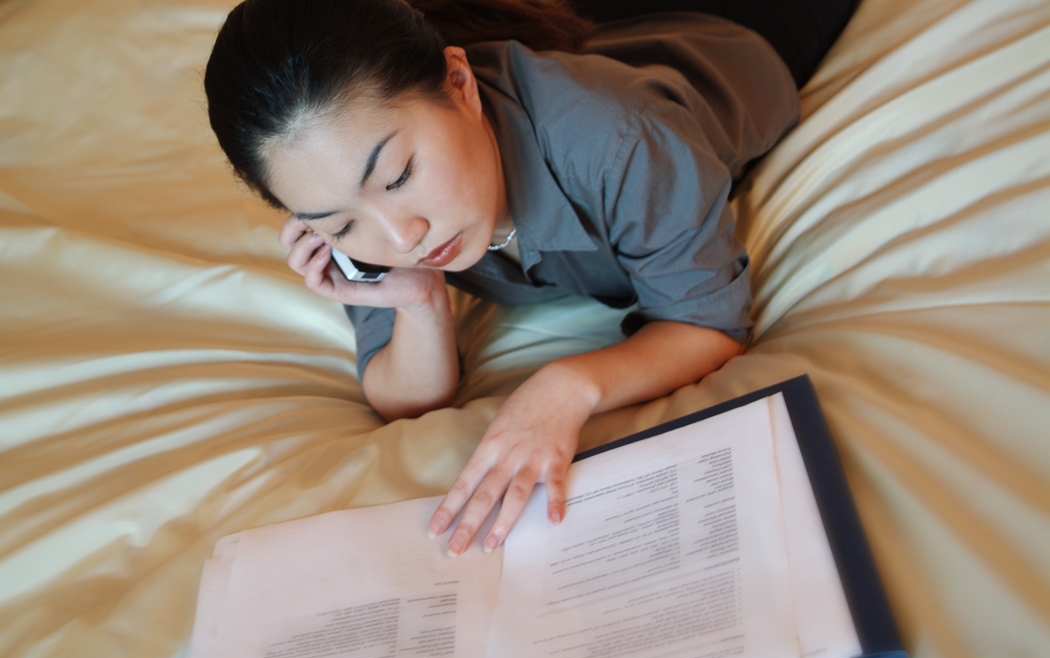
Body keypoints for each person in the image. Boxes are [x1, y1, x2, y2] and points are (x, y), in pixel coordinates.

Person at [204, 0, 857, 556]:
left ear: (459, 82)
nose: (402, 237)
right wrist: (420, 304)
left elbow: (710, 324)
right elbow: (405, 399)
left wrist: (568, 386)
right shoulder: (367, 213)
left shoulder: (622, 139)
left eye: (400, 174)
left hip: (730, 23)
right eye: (339, 225)